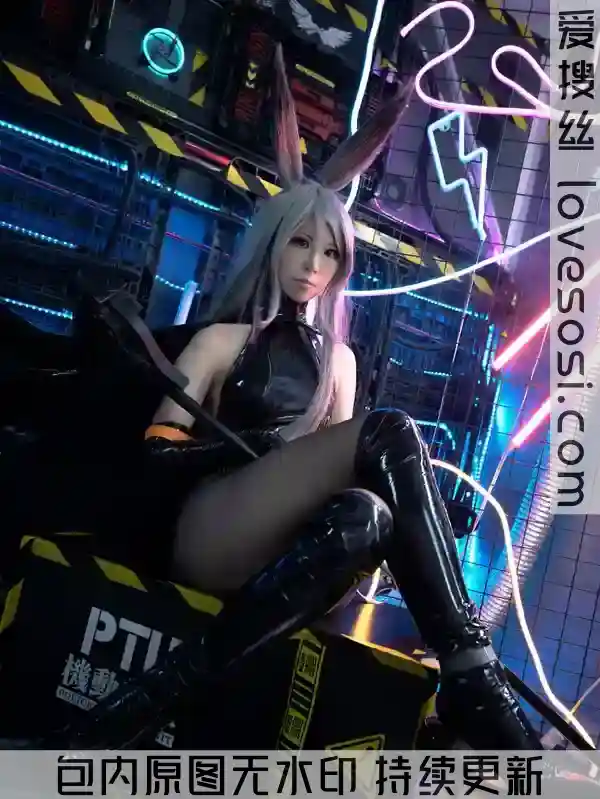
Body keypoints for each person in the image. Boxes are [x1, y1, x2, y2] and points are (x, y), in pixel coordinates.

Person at [53, 47, 541, 751]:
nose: (313, 265)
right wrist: (241, 450)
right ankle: (472, 673)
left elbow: (342, 485)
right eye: (300, 245)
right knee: (387, 432)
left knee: (369, 513)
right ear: (272, 244)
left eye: (330, 252)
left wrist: (418, 508)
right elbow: (156, 455)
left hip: (282, 557)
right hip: (209, 528)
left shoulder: (340, 361)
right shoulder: (221, 341)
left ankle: (135, 708)